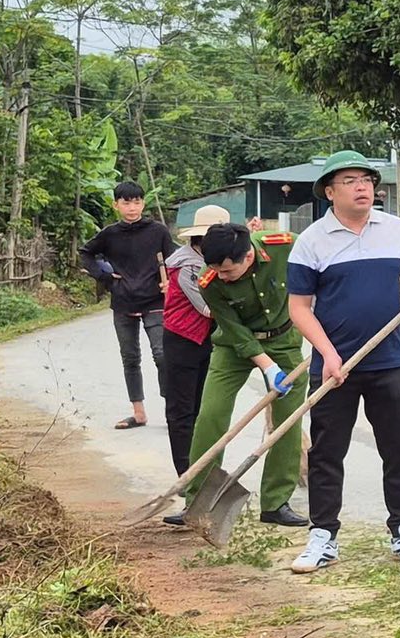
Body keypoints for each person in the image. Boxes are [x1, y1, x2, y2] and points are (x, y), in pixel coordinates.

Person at [286, 150, 400, 573]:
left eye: (367, 180)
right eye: (351, 180)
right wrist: (329, 353)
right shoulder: (312, 241)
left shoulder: (395, 230)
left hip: (388, 362)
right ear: (330, 191)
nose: (362, 187)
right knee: (326, 452)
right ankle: (323, 537)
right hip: (334, 368)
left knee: (398, 450)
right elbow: (299, 308)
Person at [171, 221, 312, 529]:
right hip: (233, 347)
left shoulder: (285, 244)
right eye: (217, 271)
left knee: (288, 420)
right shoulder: (209, 282)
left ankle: (276, 502)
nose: (222, 277)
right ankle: (198, 501)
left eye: (228, 272)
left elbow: (318, 262)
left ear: (248, 256)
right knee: (211, 416)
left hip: (283, 341)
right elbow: (235, 331)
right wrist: (267, 366)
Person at [79, 181, 175, 431]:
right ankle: (138, 412)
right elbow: (85, 253)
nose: (132, 207)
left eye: (136, 202)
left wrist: (171, 283)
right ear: (116, 205)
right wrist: (105, 277)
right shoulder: (109, 234)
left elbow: (174, 259)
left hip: (155, 301)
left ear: (143, 203)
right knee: (130, 357)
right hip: (122, 301)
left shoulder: (158, 231)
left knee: (162, 355)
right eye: (126, 202)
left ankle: (172, 410)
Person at [156, 204, 224, 480]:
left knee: (202, 410)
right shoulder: (188, 266)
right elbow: (208, 308)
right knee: (182, 412)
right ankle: (186, 474)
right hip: (182, 340)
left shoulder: (212, 262)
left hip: (206, 341)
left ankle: (202, 471)